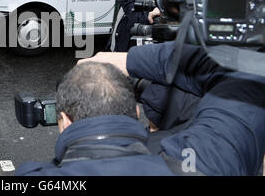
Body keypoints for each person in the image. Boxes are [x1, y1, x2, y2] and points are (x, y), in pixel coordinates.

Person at [15, 39, 265, 175]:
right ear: (136, 112)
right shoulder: (205, 161)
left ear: (64, 121)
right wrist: (129, 60)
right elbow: (247, 68)